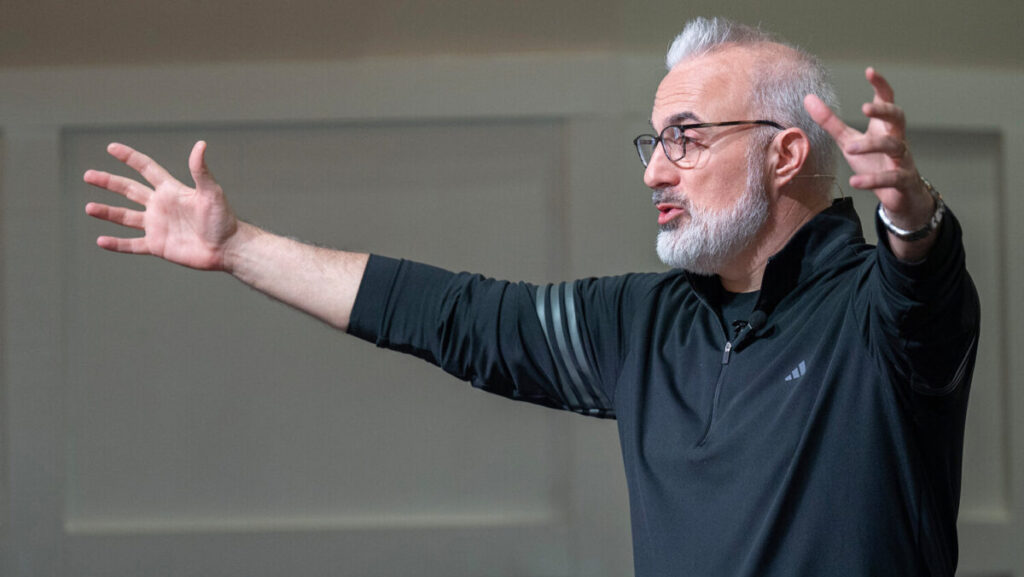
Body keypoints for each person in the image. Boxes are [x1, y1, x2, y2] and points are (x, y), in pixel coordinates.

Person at [82, 17, 979, 577]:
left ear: (784, 153)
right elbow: (455, 317)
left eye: (686, 137)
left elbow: (922, 280)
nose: (655, 171)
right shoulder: (647, 325)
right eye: (653, 142)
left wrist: (910, 210)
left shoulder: (878, 314)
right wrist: (237, 247)